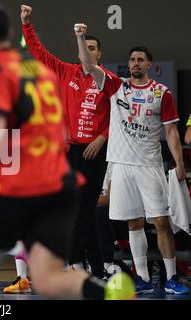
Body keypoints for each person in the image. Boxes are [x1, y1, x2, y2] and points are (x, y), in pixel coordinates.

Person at [0, 4, 134, 300]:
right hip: (59, 182)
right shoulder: (41, 74)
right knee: (47, 276)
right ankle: (109, 294)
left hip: (25, 184)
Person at [76, 23, 189, 295]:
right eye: (132, 59)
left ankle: (172, 277)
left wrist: (179, 162)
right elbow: (88, 65)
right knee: (133, 223)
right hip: (122, 166)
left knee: (160, 221)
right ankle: (141, 277)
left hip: (149, 165)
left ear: (149, 64)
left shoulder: (162, 93)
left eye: (140, 59)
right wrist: (80, 37)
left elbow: (172, 131)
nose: (135, 63)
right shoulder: (116, 86)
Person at [9, 4, 110, 290]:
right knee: (70, 210)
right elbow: (39, 53)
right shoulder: (66, 72)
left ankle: (83, 265)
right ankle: (84, 266)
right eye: (85, 48)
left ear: (99, 54)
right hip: (70, 151)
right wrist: (26, 23)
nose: (88, 53)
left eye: (93, 48)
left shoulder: (107, 80)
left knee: (85, 209)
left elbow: (119, 115)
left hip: (96, 150)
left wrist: (102, 136)